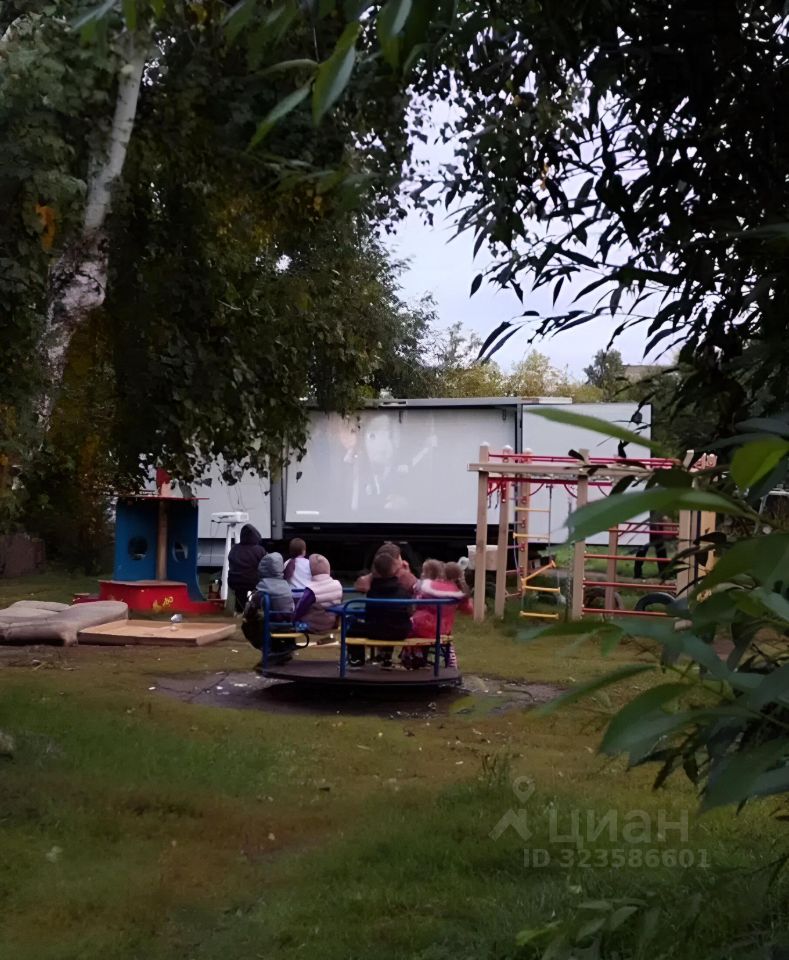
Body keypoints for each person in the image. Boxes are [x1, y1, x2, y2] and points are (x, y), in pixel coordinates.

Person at [347, 551, 413, 668]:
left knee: (352, 629)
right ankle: (386, 657)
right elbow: (409, 611)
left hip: (378, 630)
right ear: (395, 569)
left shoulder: (373, 589)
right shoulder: (403, 589)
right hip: (401, 631)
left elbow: (369, 613)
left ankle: (356, 659)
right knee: (389, 622)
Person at [402, 560, 471, 669]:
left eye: (424, 572)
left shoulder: (428, 587)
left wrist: (407, 572)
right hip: (443, 629)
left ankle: (412, 654)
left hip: (423, 626)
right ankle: (450, 660)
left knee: (409, 627)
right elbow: (468, 609)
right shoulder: (458, 592)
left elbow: (416, 594)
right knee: (446, 639)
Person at [292, 554, 343, 640]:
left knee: (291, 625)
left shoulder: (311, 589)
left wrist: (293, 618)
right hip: (331, 624)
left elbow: (300, 609)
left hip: (311, 626)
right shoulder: (337, 585)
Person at [227, 523, 266, 613]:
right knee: (262, 585)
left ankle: (240, 610)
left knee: (240, 591)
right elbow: (265, 566)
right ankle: (256, 608)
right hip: (253, 581)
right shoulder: (259, 550)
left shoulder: (234, 548)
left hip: (234, 581)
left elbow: (231, 563)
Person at [633, 512, 676, 579]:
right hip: (648, 530)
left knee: (660, 552)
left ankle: (663, 574)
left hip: (655, 530)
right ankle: (637, 574)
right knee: (642, 552)